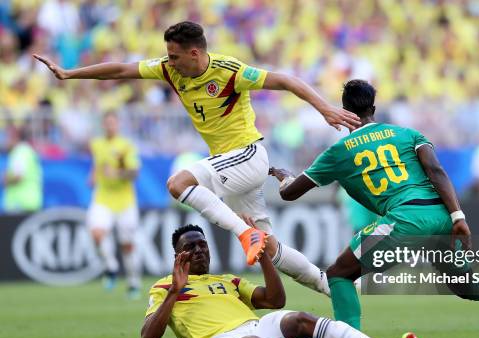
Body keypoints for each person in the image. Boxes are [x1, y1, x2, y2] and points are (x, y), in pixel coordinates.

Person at [33, 20, 360, 295]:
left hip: (247, 155)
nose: (169, 62)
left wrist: (326, 109)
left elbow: (286, 80)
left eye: (175, 56)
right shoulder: (169, 69)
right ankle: (336, 286)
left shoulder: (230, 71)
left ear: (194, 53)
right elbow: (120, 69)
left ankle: (245, 233)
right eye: (168, 56)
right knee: (272, 250)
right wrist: (69, 74)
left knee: (178, 183)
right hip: (230, 167)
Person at [271, 79, 479, 338]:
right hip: (441, 215)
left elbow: (290, 193)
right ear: (374, 107)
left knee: (339, 274)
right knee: (464, 283)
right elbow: (435, 170)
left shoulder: (338, 152)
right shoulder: (408, 134)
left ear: (345, 110)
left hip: (404, 220)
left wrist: (285, 176)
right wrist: (458, 217)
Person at [140, 223, 420, 338]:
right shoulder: (164, 286)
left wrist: (263, 258)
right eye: (190, 247)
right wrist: (175, 292)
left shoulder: (228, 281)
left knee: (299, 319)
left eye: (203, 244)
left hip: (253, 327)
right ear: (178, 256)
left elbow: (275, 300)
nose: (199, 250)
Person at [88, 111, 142, 299]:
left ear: (118, 125)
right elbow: (99, 164)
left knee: (127, 245)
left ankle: (133, 283)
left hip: (125, 200)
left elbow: (134, 173)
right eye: (107, 123)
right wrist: (93, 175)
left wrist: (117, 174)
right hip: (103, 197)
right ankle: (111, 265)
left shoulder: (126, 146)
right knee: (96, 232)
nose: (109, 126)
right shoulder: (97, 144)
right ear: (103, 125)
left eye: (113, 123)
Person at [1, 126, 43, 213]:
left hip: (20, 205)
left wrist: (5, 180)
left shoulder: (19, 152)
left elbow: (18, 176)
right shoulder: (27, 150)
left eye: (7, 137)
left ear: (15, 137)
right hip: (29, 202)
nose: (5, 141)